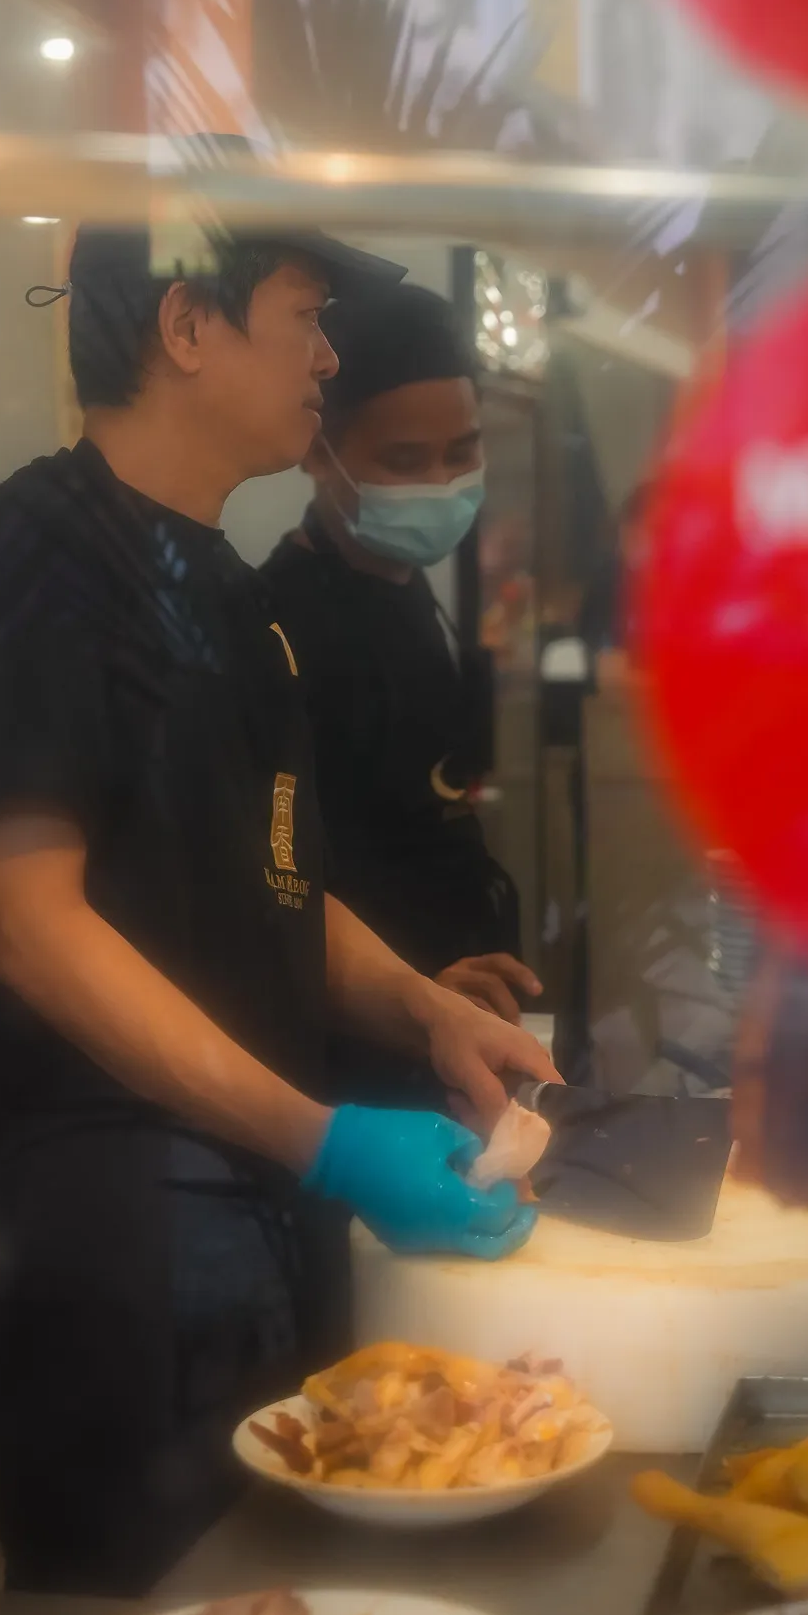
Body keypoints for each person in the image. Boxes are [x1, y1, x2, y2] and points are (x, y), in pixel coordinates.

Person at [0, 227, 556, 1597]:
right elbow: (30, 926)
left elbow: (271, 884)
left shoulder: (224, 592)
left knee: (283, 1608)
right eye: (304, 317)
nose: (328, 357)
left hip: (247, 1210)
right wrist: (323, 1136)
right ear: (186, 327)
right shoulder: (37, 561)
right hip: (105, 1239)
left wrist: (426, 1009)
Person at [260, 284, 540, 1109]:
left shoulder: (408, 587)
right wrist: (412, 995)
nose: (445, 482)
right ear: (319, 451)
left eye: (464, 451)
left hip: (460, 1023)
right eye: (406, 463)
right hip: (360, 1056)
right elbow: (277, 883)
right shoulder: (279, 626)